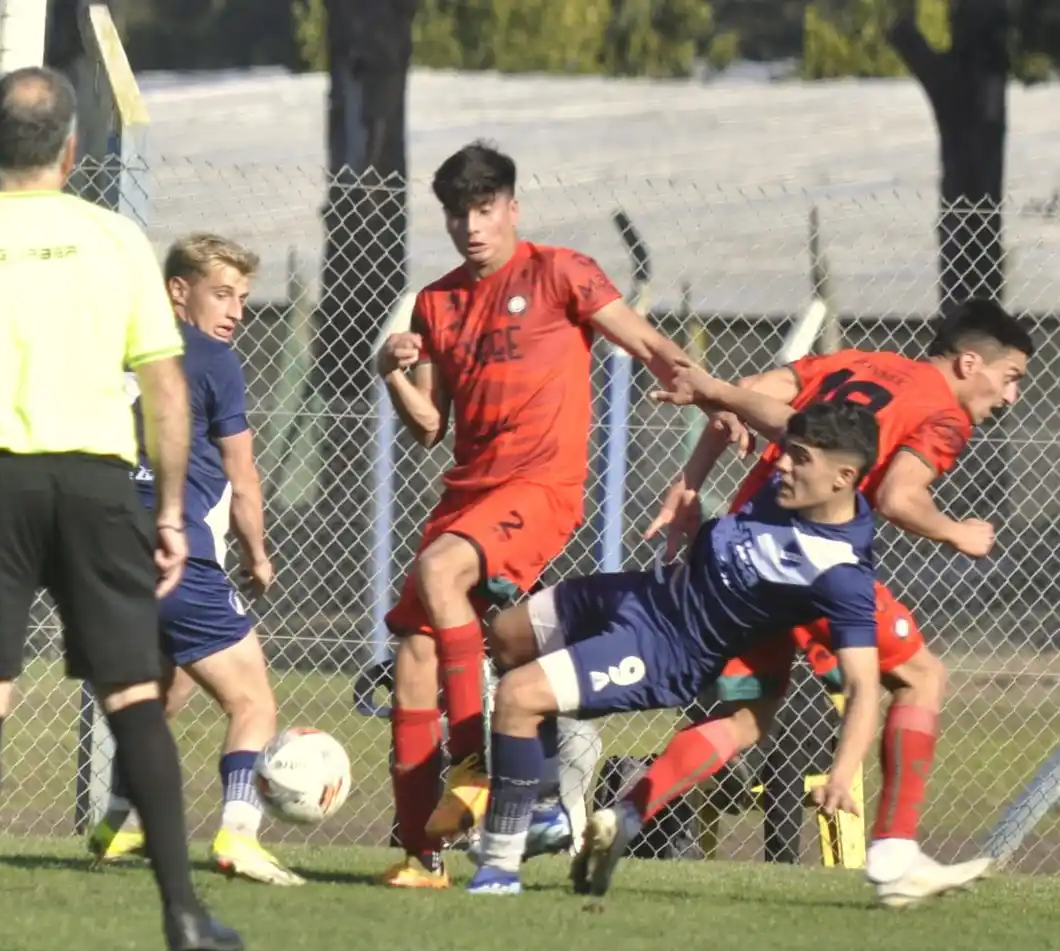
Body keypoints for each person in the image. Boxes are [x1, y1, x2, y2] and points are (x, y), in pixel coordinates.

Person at [0, 66, 242, 951]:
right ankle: (184, 915)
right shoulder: (116, 239)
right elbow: (164, 385)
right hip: (101, 483)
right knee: (134, 697)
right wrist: (174, 514)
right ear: (72, 151)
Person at [374, 140, 741, 890]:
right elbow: (428, 426)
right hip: (468, 492)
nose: (472, 227)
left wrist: (712, 394)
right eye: (457, 215)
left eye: (484, 210)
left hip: (539, 487)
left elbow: (645, 340)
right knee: (413, 658)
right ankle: (422, 857)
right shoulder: (436, 302)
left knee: (440, 571)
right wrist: (392, 373)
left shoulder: (560, 272)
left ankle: (473, 759)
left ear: (512, 207)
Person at [608, 299, 1030, 905]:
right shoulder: (943, 415)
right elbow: (898, 497)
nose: (1011, 396)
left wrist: (691, 480)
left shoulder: (861, 360)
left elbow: (743, 391)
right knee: (921, 676)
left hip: (745, 550)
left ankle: (622, 816)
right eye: (1010, 378)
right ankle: (894, 852)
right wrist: (955, 530)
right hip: (816, 561)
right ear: (970, 363)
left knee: (748, 717)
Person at [465, 401, 888, 896]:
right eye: (787, 451)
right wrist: (714, 409)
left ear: (842, 478)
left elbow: (864, 687)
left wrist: (841, 772)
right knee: (507, 636)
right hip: (643, 591)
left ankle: (498, 867)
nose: (782, 464)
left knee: (517, 696)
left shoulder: (839, 572)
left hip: (665, 647)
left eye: (798, 458)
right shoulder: (800, 486)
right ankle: (545, 806)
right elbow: (751, 403)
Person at [87, 232, 304, 886]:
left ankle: (121, 821)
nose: (235, 310)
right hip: (177, 552)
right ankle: (238, 833)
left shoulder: (110, 348)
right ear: (177, 291)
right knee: (253, 701)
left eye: (242, 297)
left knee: (164, 685)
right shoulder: (212, 359)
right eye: (221, 293)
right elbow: (242, 475)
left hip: (98, 550)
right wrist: (258, 555)